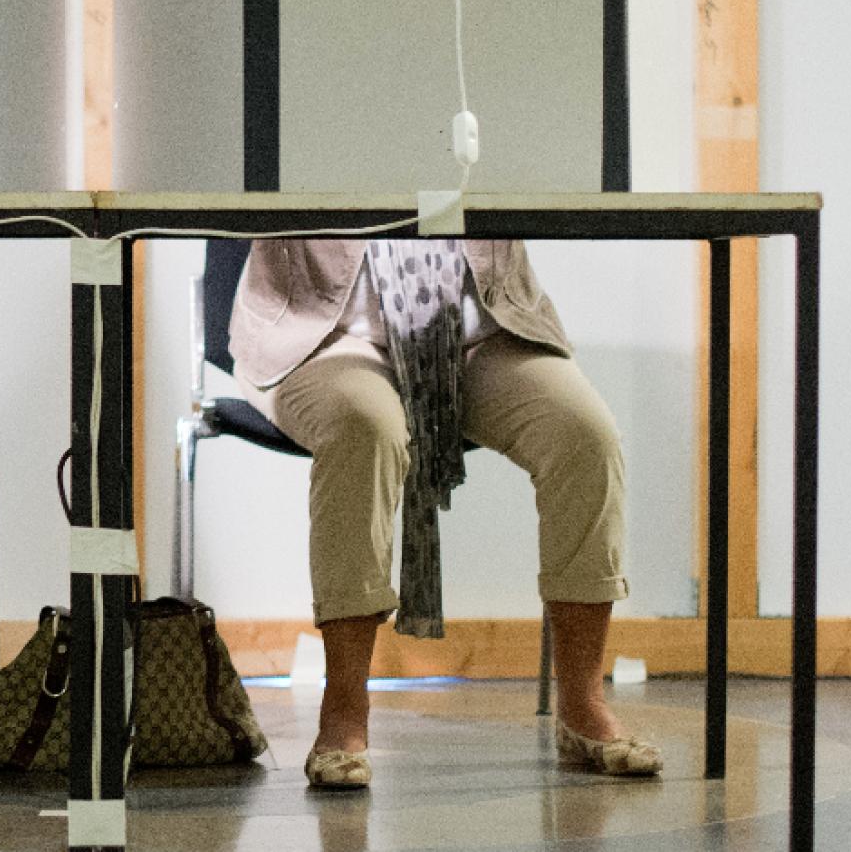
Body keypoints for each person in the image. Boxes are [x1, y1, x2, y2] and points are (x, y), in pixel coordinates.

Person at [229, 238, 662, 788]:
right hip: (319, 335)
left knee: (585, 436)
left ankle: (583, 706)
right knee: (365, 429)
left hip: (484, 332)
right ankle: (343, 712)